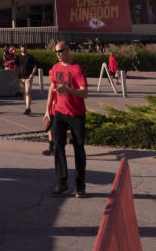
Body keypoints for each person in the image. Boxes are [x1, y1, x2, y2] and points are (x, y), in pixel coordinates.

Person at [45, 41, 88, 197]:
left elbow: (85, 93)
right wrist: (47, 110)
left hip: (77, 114)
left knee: (79, 149)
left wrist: (68, 90)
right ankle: (62, 183)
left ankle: (80, 186)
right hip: (59, 113)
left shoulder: (77, 69)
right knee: (58, 147)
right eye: (56, 52)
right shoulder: (55, 68)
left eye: (61, 51)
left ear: (68, 50)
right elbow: (52, 88)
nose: (58, 54)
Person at [15, 44, 38, 115]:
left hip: (28, 77)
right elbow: (15, 67)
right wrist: (15, 77)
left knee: (27, 92)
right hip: (21, 78)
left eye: (24, 47)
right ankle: (27, 106)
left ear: (26, 48)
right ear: (20, 48)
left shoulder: (30, 57)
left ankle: (28, 108)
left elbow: (35, 66)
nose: (23, 48)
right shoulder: (18, 57)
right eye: (22, 47)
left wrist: (32, 74)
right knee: (24, 93)